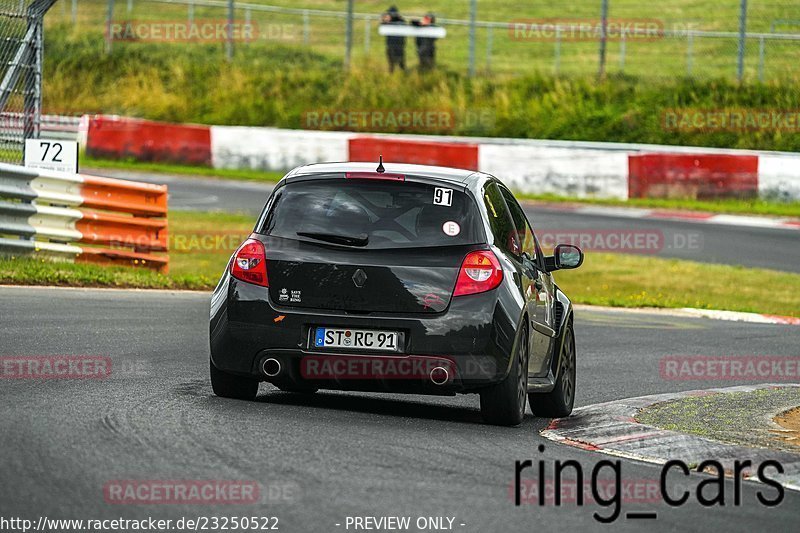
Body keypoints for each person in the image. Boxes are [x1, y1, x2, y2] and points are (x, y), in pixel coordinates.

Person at [381, 6, 406, 73]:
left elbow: (404, 25)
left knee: (401, 63)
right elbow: (382, 28)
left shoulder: (400, 20)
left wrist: (398, 17)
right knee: (391, 64)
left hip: (399, 46)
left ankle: (403, 75)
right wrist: (385, 20)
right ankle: (391, 75)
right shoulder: (388, 22)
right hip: (390, 45)